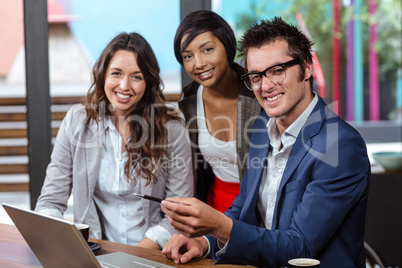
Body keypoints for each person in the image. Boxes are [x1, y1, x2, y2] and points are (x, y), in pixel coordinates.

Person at [160, 17, 371, 267]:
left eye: (277, 70)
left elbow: (299, 247)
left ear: (306, 68)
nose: (266, 86)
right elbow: (243, 208)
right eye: (257, 76)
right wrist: (205, 241)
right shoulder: (261, 126)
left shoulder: (340, 145)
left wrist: (219, 225)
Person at [35, 32, 193, 250]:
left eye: (136, 77)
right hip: (95, 252)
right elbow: (50, 201)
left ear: (148, 81)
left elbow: (180, 210)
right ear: (103, 75)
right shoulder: (77, 121)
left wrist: (134, 257)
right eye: (116, 73)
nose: (124, 86)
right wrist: (61, 239)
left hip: (153, 253)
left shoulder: (172, 128)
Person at [174, 10, 261, 212]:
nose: (199, 64)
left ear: (228, 47)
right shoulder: (189, 100)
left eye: (207, 50)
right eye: (188, 56)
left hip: (260, 209)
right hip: (213, 209)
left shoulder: (258, 92)